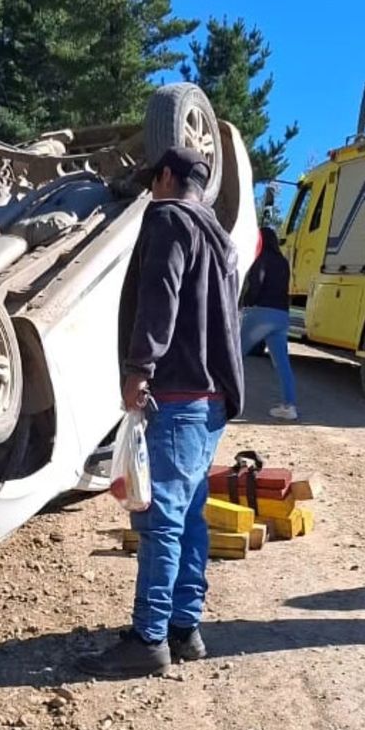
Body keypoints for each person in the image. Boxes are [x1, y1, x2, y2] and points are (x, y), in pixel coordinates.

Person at [77, 146, 243, 679]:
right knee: (188, 515)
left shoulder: (169, 219)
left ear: (167, 176)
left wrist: (139, 369)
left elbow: (160, 297)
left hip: (177, 396)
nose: (151, 189)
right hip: (211, 400)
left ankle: (149, 639)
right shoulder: (219, 235)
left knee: (160, 521)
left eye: (154, 180)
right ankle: (183, 627)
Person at [240, 225, 298, 420]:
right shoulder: (283, 262)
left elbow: (256, 282)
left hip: (261, 313)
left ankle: (218, 398)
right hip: (282, 315)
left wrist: (246, 303)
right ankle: (289, 406)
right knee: (282, 364)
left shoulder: (261, 258)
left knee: (234, 355)